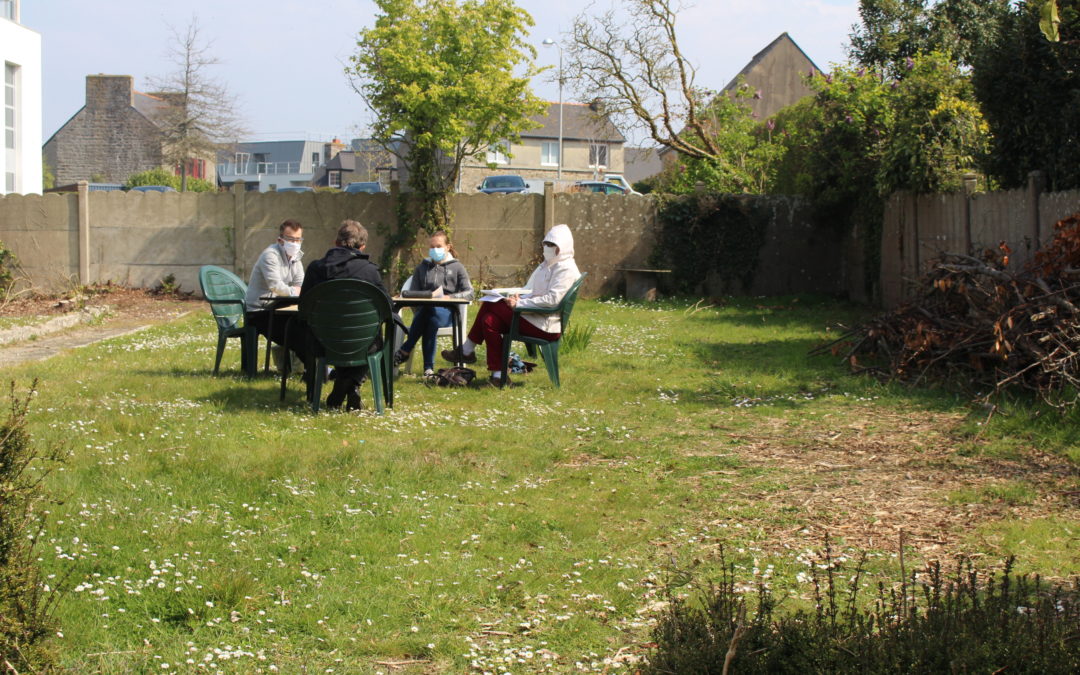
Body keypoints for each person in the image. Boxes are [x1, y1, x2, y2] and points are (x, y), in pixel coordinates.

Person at [441, 223, 581, 387]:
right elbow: (537, 292)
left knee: (491, 305)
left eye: (552, 245)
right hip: (534, 317)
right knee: (488, 320)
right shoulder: (548, 265)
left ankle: (467, 350)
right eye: (546, 244)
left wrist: (520, 303)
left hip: (545, 326)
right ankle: (498, 376)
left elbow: (552, 300)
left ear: (562, 247)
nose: (547, 248)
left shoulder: (566, 268)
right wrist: (521, 296)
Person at [298, 220, 387, 410]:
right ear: (362, 246)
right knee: (373, 338)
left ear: (335, 242)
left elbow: (303, 307)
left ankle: (343, 385)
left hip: (322, 342)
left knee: (344, 335)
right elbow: (386, 307)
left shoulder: (316, 268)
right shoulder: (370, 271)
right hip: (361, 343)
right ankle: (350, 385)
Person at [394, 230, 474, 376]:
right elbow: (412, 293)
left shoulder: (457, 267)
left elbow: (470, 293)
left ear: (448, 247)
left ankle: (406, 350)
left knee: (429, 314)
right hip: (425, 312)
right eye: (432, 247)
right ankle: (428, 370)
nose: (434, 250)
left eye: (438, 246)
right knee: (429, 315)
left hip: (448, 313)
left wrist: (450, 298)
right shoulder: (421, 267)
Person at [244, 219, 306, 357]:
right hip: (259, 311)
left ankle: (317, 369)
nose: (295, 243)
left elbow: (302, 284)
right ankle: (315, 370)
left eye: (298, 239)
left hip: (278, 307)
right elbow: (276, 286)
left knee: (307, 326)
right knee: (296, 334)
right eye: (290, 239)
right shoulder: (270, 256)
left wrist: (297, 290)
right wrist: (295, 291)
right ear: (280, 240)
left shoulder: (297, 257)